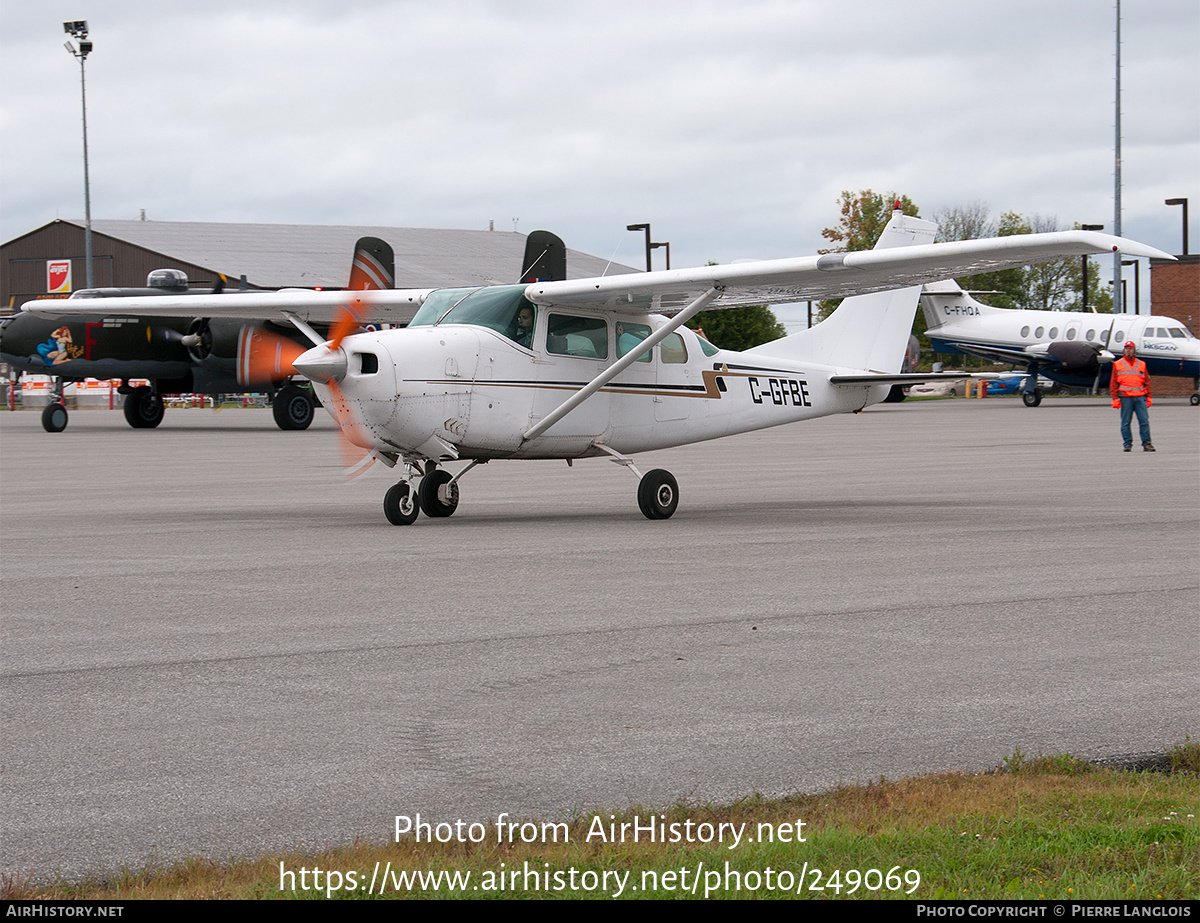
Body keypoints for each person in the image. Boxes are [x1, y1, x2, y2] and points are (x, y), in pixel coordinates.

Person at [1110, 340, 1154, 452]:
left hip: (1140, 397)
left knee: (1144, 421)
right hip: (1126, 397)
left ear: (1134, 350)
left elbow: (1147, 382)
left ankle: (1147, 443)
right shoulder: (1118, 364)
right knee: (1125, 422)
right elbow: (1114, 382)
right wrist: (1115, 398)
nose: (1128, 350)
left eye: (1130, 348)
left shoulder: (1141, 364)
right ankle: (1127, 444)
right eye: (1126, 348)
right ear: (1124, 350)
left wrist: (1149, 396)